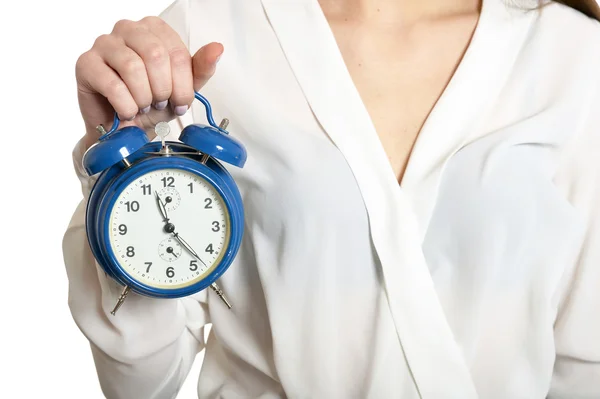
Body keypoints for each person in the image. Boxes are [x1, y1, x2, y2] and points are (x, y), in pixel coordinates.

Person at [62, 0, 600, 397]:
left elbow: (585, 366)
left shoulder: (572, 56)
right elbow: (141, 384)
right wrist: (117, 171)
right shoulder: (205, 38)